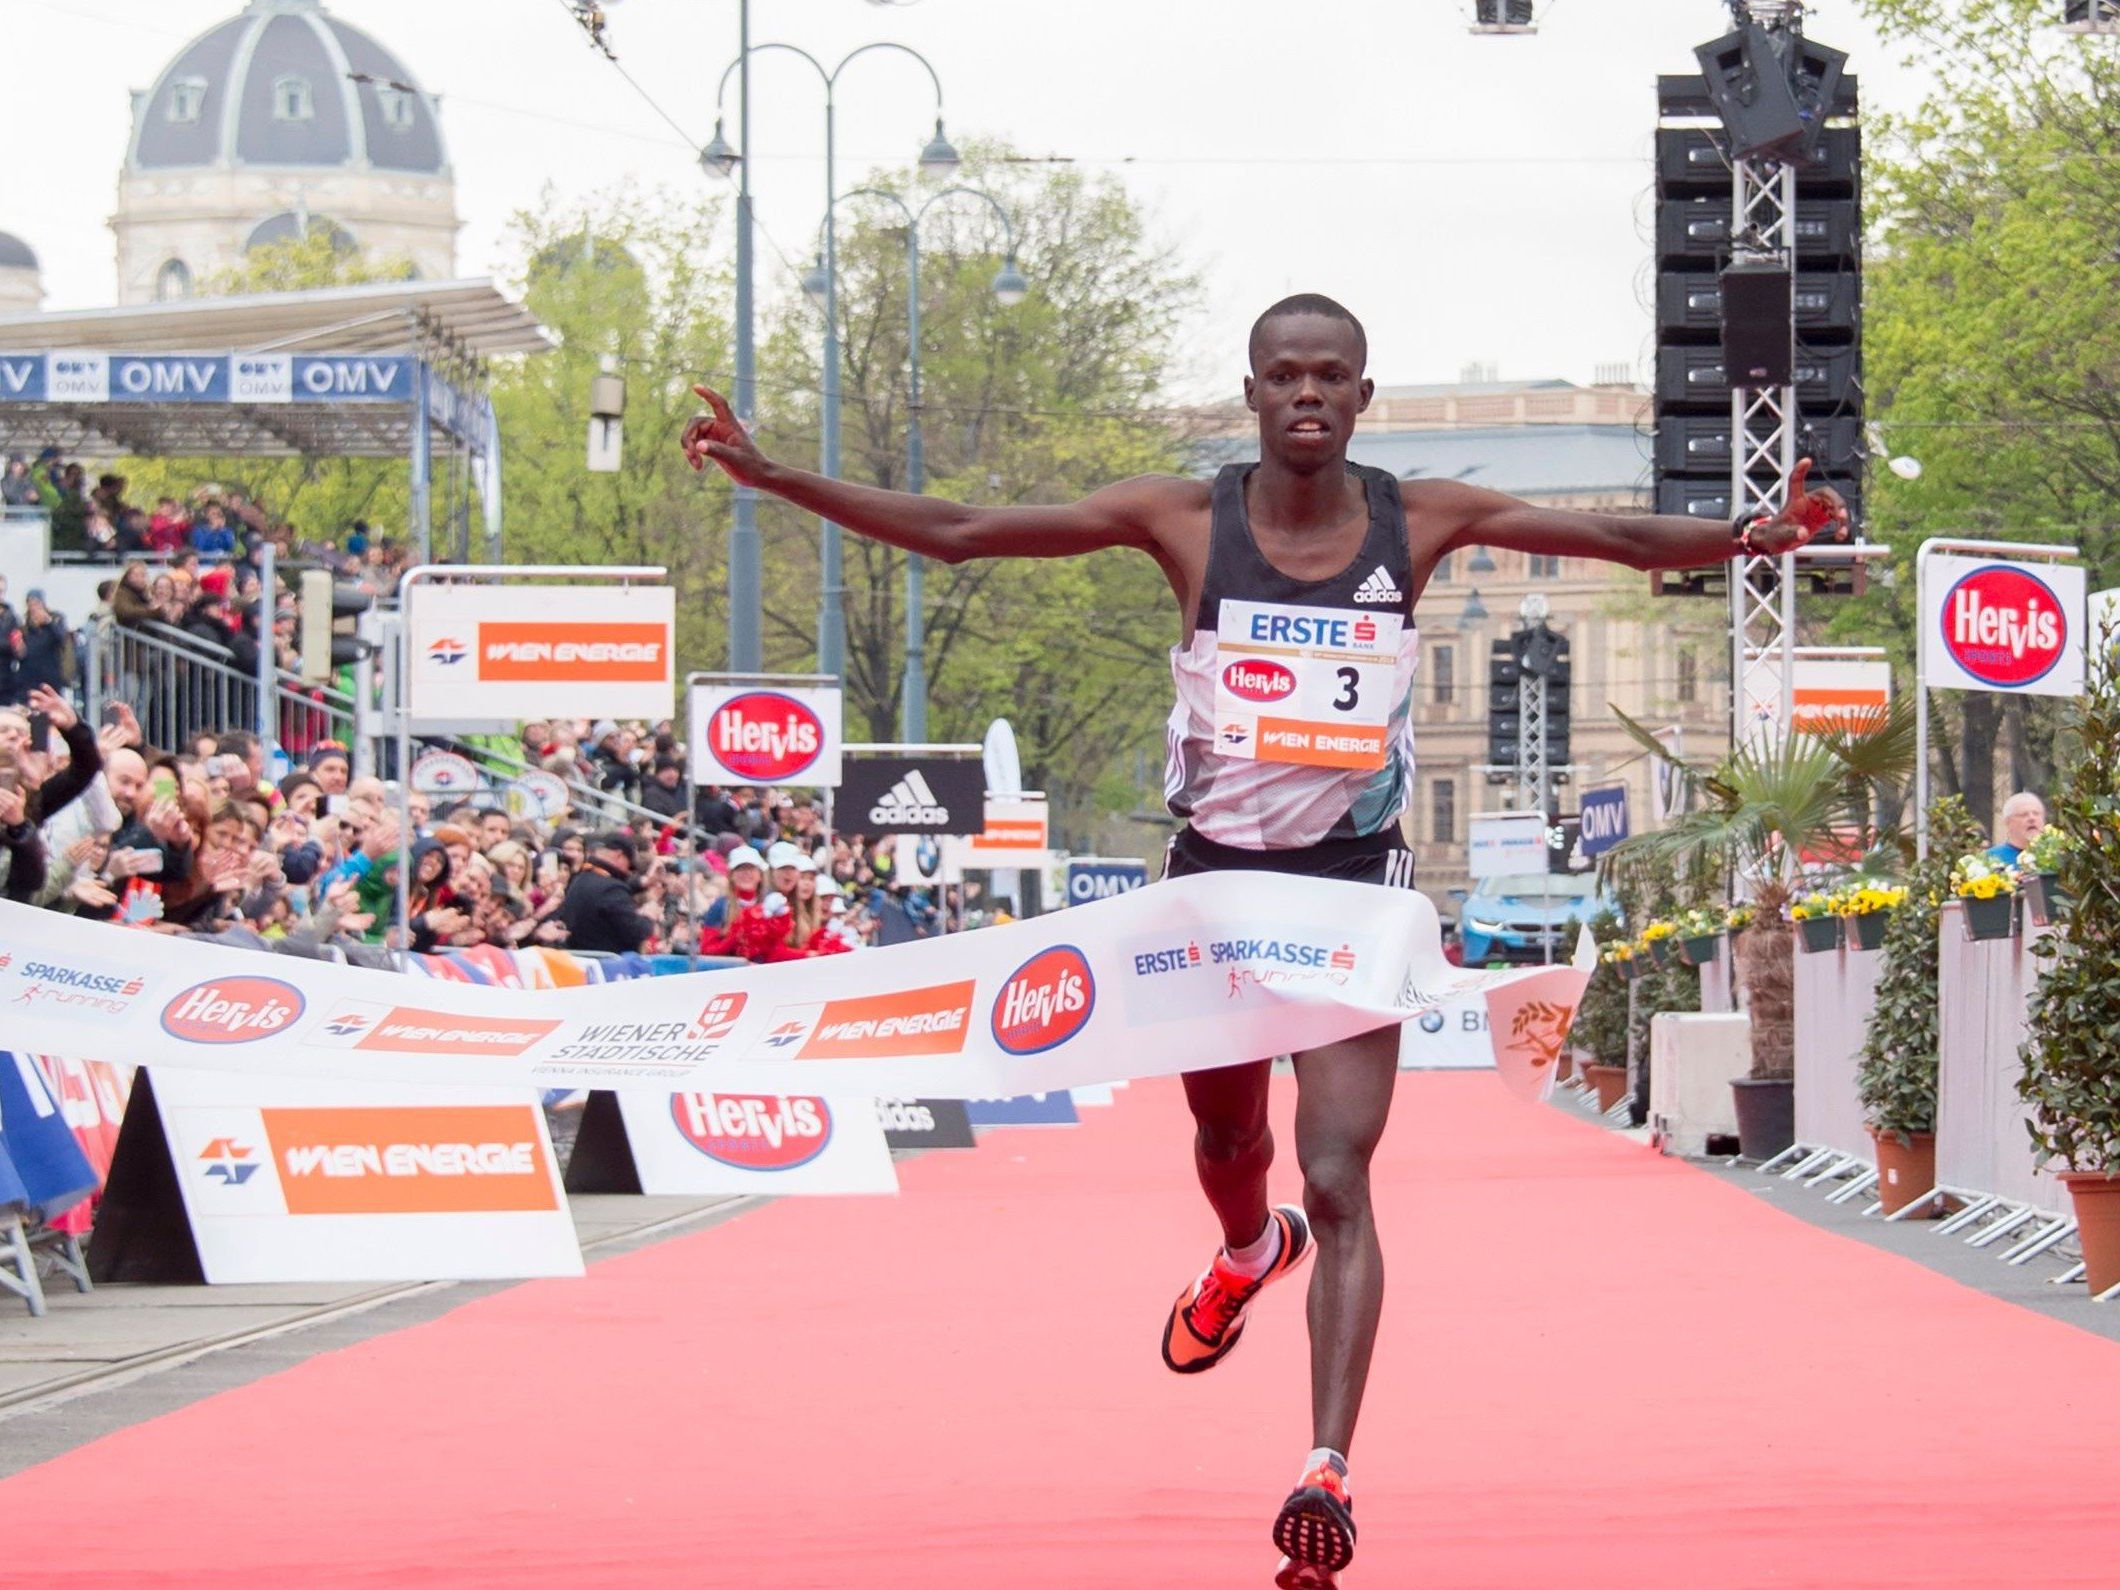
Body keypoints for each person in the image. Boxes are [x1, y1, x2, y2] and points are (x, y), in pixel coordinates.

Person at [682, 292, 1846, 1587]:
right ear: (1251, 394)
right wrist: (773, 473)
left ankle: (1326, 1466)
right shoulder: (1187, 521)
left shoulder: (1424, 518)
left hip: (1354, 897)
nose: (1306, 393)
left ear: (1361, 396)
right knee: (1228, 1143)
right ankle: (1246, 1252)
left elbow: (1615, 539)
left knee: (1339, 1176)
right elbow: (959, 536)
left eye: (1329, 377)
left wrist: (1752, 536)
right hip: (1217, 896)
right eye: (1283, 374)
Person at [555, 831, 655, 954]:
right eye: (629, 867)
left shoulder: (580, 878)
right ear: (619, 856)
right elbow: (635, 932)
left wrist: (641, 884)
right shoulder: (612, 889)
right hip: (606, 964)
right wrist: (649, 917)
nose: (629, 872)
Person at [1987, 791, 2047, 866]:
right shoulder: (1991, 859)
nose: (2032, 818)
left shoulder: (2057, 856)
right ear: (2008, 822)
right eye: (2023, 815)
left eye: (2036, 814)